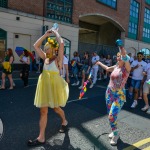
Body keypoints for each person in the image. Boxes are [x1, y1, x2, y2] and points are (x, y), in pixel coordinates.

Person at [27, 28, 69, 146]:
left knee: (56, 108)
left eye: (48, 48)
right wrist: (45, 35)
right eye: (45, 48)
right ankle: (41, 137)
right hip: (45, 87)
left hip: (54, 88)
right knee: (43, 111)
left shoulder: (58, 60)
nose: (46, 50)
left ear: (54, 49)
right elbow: (36, 45)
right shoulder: (45, 57)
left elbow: (61, 43)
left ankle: (64, 121)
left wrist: (55, 32)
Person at [96, 46, 131, 145]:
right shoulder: (116, 67)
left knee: (111, 116)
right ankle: (114, 130)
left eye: (119, 56)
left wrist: (122, 49)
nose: (117, 57)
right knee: (110, 115)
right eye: (117, 56)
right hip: (109, 93)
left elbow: (125, 57)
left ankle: (116, 134)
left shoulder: (126, 69)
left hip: (119, 95)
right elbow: (107, 68)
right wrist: (99, 63)